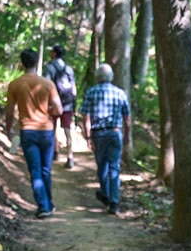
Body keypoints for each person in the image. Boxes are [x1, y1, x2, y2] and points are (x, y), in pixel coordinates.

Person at [4, 48, 63, 218]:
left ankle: (44, 205)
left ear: (22, 64)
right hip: (46, 131)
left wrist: (8, 129)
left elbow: (9, 111)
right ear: (37, 62)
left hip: (27, 131)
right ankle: (48, 204)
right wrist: (48, 111)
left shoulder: (15, 84)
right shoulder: (47, 84)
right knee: (46, 170)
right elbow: (58, 109)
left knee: (35, 170)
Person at [77, 63, 131, 215]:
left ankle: (106, 195)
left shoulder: (91, 92)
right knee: (114, 167)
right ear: (111, 77)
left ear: (97, 77)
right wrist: (127, 136)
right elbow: (127, 118)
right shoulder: (120, 93)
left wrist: (87, 136)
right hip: (115, 133)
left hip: (98, 134)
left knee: (102, 166)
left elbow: (86, 116)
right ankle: (113, 201)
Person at [44, 45, 78, 168]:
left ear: (54, 54)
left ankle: (55, 152)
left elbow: (47, 86)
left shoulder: (49, 67)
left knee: (52, 128)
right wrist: (73, 103)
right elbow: (73, 89)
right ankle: (70, 157)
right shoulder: (68, 68)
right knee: (68, 131)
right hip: (68, 104)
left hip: (54, 103)